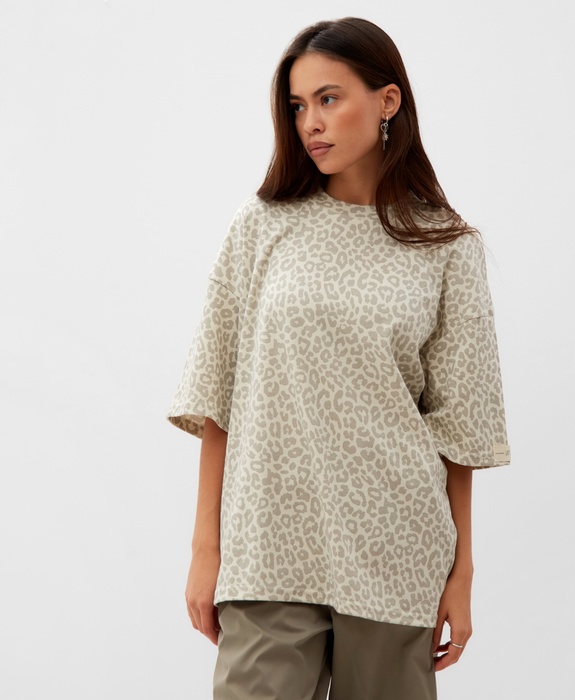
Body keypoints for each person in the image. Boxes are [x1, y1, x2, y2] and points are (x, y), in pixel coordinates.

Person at [167, 16, 510, 700]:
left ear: (388, 101)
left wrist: (461, 574)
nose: (311, 123)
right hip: (269, 545)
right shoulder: (262, 225)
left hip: (395, 549)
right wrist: (206, 550)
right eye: (298, 106)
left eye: (329, 98)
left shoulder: (446, 246)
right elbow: (216, 397)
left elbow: (458, 430)